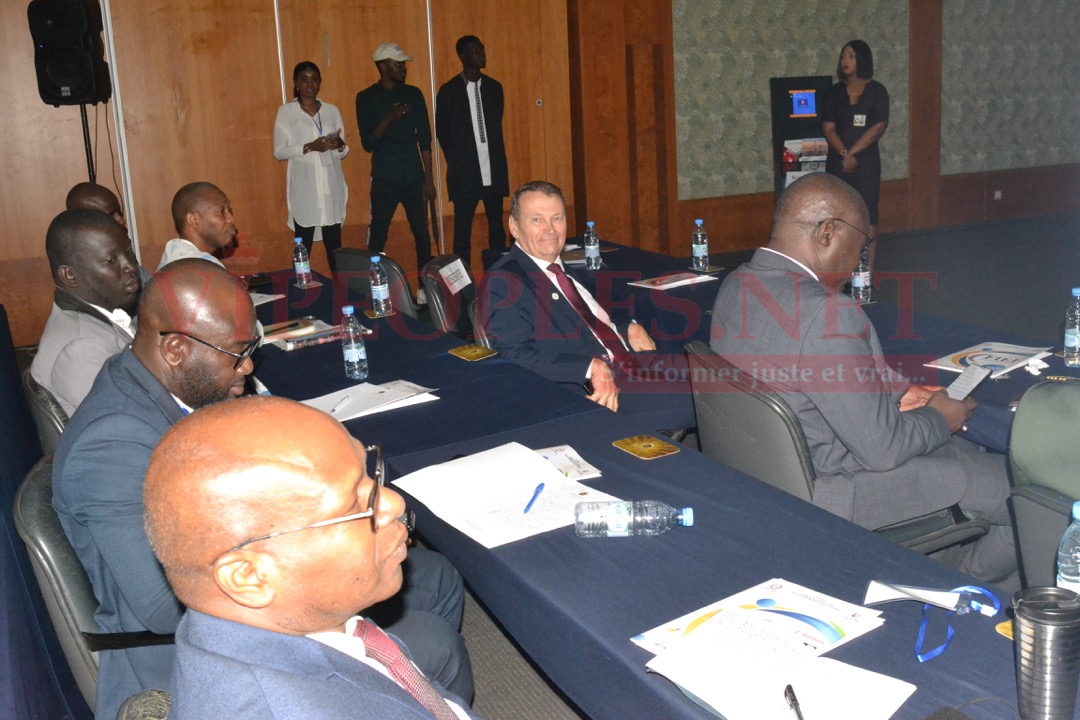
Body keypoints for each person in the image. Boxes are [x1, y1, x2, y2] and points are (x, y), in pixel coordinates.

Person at [53, 259, 470, 718]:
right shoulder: (111, 443)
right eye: (236, 353)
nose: (249, 364)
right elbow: (163, 603)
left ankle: (401, 693)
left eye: (251, 345)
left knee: (437, 576)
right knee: (436, 644)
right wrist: (326, 583)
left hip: (261, 572)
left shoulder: (174, 385)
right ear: (174, 349)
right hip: (201, 648)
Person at [709, 173, 1018, 588]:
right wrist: (942, 418)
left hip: (769, 480)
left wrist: (899, 389)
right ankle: (955, 589)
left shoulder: (737, 284)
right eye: (863, 244)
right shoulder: (827, 312)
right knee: (1026, 494)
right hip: (837, 492)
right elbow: (884, 451)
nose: (861, 259)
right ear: (827, 232)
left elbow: (814, 366)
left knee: (965, 446)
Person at [143, 397, 481, 719]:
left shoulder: (296, 617)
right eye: (353, 506)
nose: (393, 503)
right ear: (250, 577)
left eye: (369, 477)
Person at [477, 181, 694, 428]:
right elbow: (510, 354)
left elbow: (585, 318)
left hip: (628, 360)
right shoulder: (505, 280)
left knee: (724, 374)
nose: (550, 229)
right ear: (514, 227)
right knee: (715, 399)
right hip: (597, 389)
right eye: (537, 220)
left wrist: (625, 327)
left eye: (557, 218)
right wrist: (589, 368)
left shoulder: (559, 268)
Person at [31, 209, 141, 416]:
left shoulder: (108, 312)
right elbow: (131, 425)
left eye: (128, 252)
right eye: (111, 261)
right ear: (70, 275)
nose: (130, 266)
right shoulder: (81, 349)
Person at [356, 42, 434, 275]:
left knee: (422, 234)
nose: (403, 67)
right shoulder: (366, 98)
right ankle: (374, 288)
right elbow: (368, 143)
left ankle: (425, 288)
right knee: (378, 235)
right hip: (384, 176)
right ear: (382, 66)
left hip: (413, 175)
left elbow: (426, 141)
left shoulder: (413, 94)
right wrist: (389, 118)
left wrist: (429, 180)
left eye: (403, 64)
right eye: (397, 64)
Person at [435, 35, 509, 263]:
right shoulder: (449, 91)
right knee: (462, 233)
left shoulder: (494, 88)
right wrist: (460, 162)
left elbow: (496, 122)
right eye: (476, 51)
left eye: (482, 49)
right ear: (462, 56)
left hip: (493, 170)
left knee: (497, 229)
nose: (482, 54)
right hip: (465, 174)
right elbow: (443, 133)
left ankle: (498, 279)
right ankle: (463, 286)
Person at [274, 61, 350, 273]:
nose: (310, 84)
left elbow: (343, 152)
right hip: (305, 189)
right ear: (296, 84)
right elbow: (279, 151)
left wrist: (340, 144)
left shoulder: (331, 111)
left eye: (315, 79)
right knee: (303, 245)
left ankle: (341, 292)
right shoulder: (287, 112)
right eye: (304, 79)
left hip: (330, 186)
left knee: (334, 245)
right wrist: (309, 147)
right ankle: (299, 293)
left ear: (320, 83)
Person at [821, 39, 888, 268]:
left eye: (850, 56)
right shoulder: (834, 92)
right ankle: (838, 269)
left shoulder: (878, 91)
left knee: (868, 215)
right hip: (837, 164)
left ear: (862, 59)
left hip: (866, 164)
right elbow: (828, 128)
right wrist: (843, 154)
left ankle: (866, 272)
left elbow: (878, 127)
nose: (845, 61)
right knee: (837, 215)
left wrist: (852, 153)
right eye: (843, 57)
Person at [157, 182, 238, 269]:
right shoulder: (197, 269)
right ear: (193, 220)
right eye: (221, 211)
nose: (231, 219)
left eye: (230, 210)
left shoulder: (174, 253)